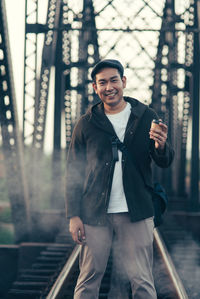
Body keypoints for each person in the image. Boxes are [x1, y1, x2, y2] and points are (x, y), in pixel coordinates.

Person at [65, 59, 174, 299]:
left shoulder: (146, 116)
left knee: (142, 279)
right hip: (95, 212)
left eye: (114, 80)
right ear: (95, 87)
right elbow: (73, 171)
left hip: (136, 211)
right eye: (102, 82)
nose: (109, 86)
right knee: (89, 278)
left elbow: (164, 160)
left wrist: (161, 145)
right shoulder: (86, 124)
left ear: (123, 81)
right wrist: (73, 215)